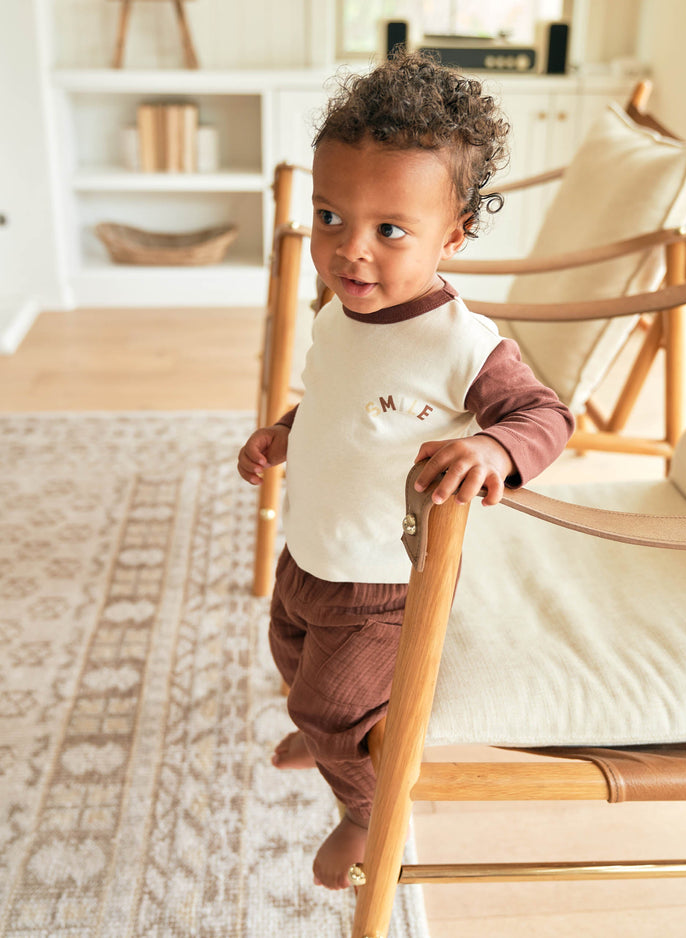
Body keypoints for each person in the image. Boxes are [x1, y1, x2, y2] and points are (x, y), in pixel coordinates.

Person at [238, 50, 574, 890]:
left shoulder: (463, 344)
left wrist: (495, 449)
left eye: (390, 230)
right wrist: (286, 432)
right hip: (314, 550)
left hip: (383, 580)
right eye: (329, 217)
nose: (350, 251)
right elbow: (337, 399)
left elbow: (547, 417)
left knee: (329, 699)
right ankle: (328, 736)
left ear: (452, 236)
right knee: (288, 651)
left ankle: (365, 807)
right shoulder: (340, 312)